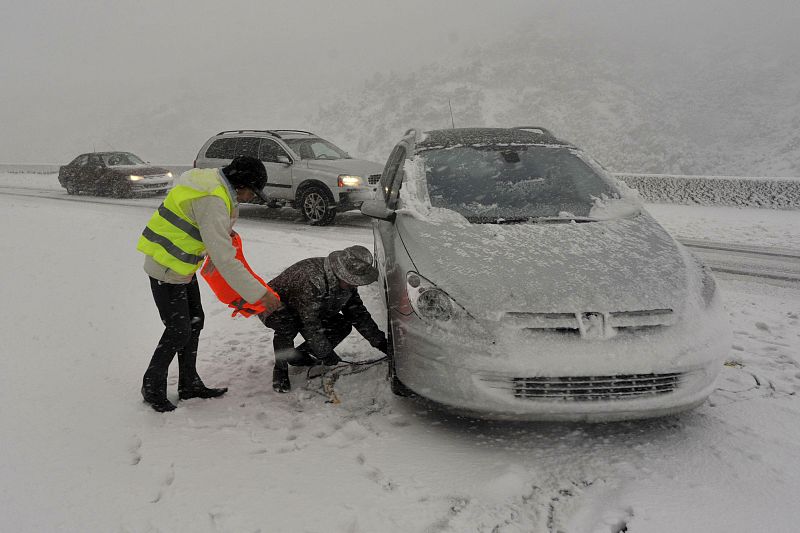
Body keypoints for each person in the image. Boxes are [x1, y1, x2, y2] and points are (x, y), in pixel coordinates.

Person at [136, 156, 282, 412]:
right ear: (240, 185)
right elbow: (225, 261)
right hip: (166, 267)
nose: (252, 197)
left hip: (180, 266)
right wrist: (261, 295)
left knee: (195, 321)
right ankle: (152, 386)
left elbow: (201, 223)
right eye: (251, 191)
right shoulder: (212, 199)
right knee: (179, 329)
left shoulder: (213, 182)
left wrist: (221, 231)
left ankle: (189, 383)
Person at [260, 245, 389, 393]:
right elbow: (310, 324)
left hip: (309, 308)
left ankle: (299, 355)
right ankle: (280, 369)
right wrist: (325, 352)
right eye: (352, 280)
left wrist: (382, 343)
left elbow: (358, 315)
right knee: (288, 325)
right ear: (340, 273)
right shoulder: (312, 280)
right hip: (272, 305)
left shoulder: (347, 286)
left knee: (342, 324)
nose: (355, 284)